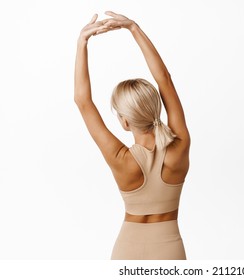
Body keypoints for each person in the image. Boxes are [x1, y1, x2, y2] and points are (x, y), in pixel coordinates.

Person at [74, 11, 190, 260]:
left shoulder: (121, 158)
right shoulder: (179, 147)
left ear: (125, 122)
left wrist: (82, 43)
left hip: (128, 249)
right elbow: (165, 81)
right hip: (169, 249)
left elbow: (83, 101)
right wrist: (133, 28)